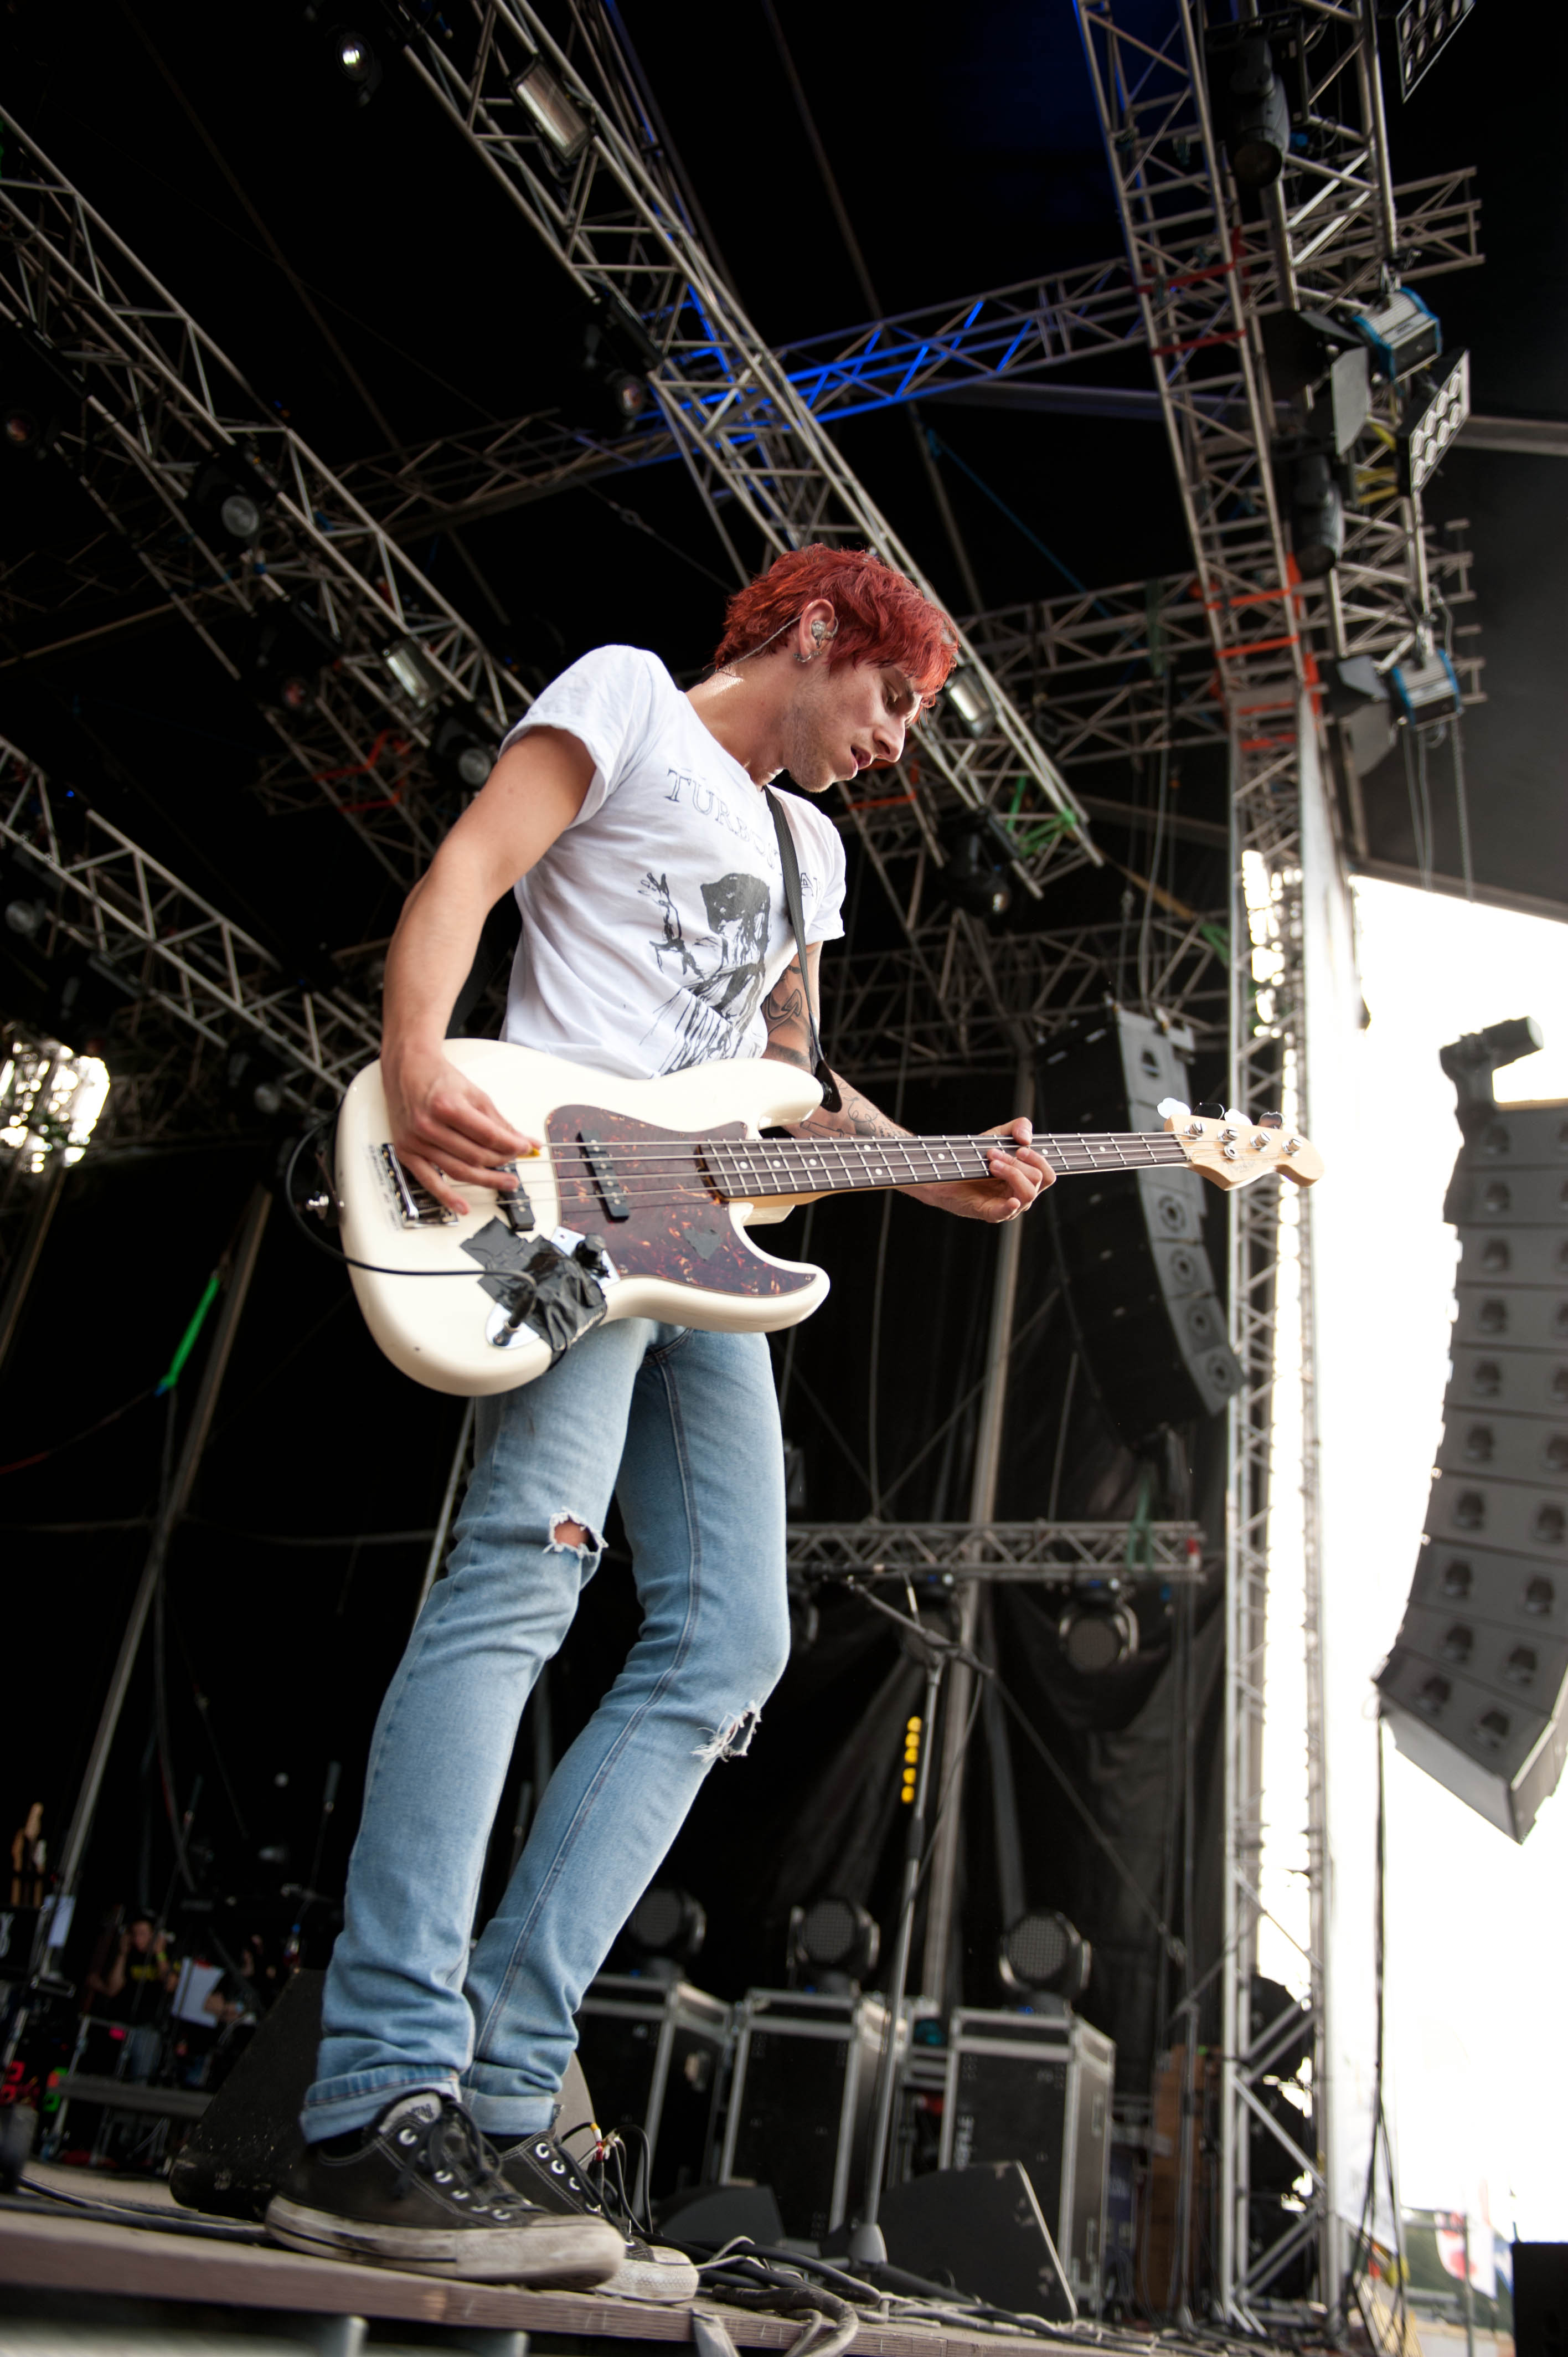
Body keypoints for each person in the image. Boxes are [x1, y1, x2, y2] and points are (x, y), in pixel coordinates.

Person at [266, 545, 1053, 2288]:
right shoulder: (628, 695)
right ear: (817, 631)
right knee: (520, 1581)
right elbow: (469, 873)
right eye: (894, 700)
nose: (896, 742)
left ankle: (508, 2086)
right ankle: (377, 2094)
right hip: (561, 1198)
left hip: (696, 1239)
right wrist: (416, 1055)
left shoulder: (813, 851)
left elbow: (793, 1093)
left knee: (732, 1644)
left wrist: (942, 1172)